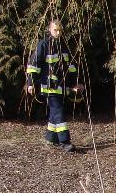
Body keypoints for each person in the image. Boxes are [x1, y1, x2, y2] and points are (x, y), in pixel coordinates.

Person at [26, 20, 81, 152]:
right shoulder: (43, 45)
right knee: (58, 111)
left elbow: (71, 67)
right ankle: (65, 141)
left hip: (63, 87)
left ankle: (51, 138)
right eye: (55, 30)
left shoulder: (64, 46)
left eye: (60, 30)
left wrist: (75, 84)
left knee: (55, 112)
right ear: (49, 30)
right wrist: (30, 83)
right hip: (50, 87)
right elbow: (34, 65)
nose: (58, 32)